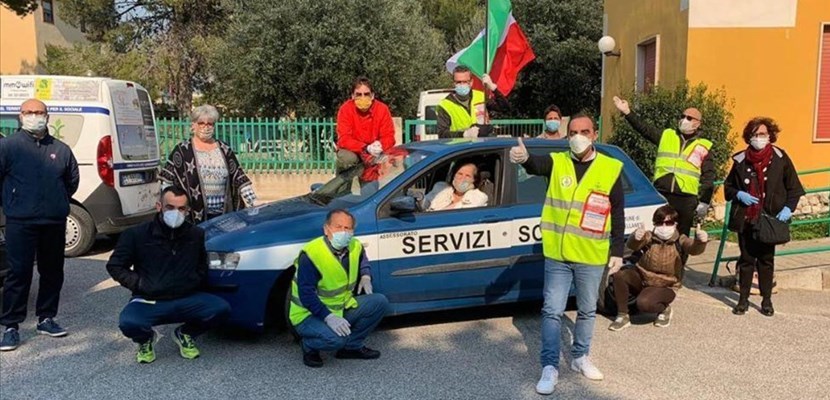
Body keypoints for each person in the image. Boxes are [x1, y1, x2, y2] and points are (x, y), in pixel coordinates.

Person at [509, 113, 624, 395]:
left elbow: (618, 212)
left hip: (590, 253)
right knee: (552, 310)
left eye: (584, 131)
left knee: (586, 310)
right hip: (558, 254)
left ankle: (580, 357)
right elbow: (537, 164)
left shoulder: (610, 168)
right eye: (572, 132)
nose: (578, 136)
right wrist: (524, 158)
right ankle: (549, 367)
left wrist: (618, 250)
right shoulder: (558, 162)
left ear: (595, 134)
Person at [106, 186, 231, 363]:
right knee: (129, 323)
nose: (176, 213)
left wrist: (193, 280)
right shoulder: (136, 235)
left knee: (221, 309)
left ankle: (185, 334)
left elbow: (202, 264)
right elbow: (115, 265)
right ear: (159, 206)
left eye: (181, 209)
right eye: (170, 207)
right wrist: (140, 284)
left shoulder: (195, 234)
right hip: (150, 299)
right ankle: (146, 339)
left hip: (186, 297)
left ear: (187, 210)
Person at [0, 99, 79, 351]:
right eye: (29, 112)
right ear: (20, 116)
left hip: (53, 221)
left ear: (48, 115)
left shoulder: (62, 149)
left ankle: (46, 318)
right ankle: (11, 326)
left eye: (39, 112)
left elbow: (71, 182)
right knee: (18, 273)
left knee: (52, 271)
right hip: (20, 221)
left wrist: (56, 201)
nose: (35, 116)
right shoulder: (8, 147)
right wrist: (12, 202)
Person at [724, 117, 804, 317]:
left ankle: (766, 300)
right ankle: (742, 300)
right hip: (747, 219)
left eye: (762, 134)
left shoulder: (780, 158)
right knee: (746, 260)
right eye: (755, 135)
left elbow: (794, 188)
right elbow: (728, 188)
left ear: (770, 136)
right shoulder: (741, 159)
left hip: (769, 219)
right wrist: (739, 194)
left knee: (766, 261)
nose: (758, 138)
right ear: (748, 137)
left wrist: (788, 209)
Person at [289, 209, 389, 368]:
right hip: (307, 314)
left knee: (379, 302)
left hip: (340, 307)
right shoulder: (312, 254)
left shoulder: (355, 245)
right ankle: (309, 345)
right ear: (326, 229)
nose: (343, 232)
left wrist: (366, 276)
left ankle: (351, 347)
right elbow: (306, 294)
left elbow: (363, 259)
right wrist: (328, 317)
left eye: (348, 228)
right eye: (338, 227)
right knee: (336, 340)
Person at [612, 96, 715, 238]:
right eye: (683, 116)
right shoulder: (667, 135)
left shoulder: (704, 146)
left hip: (686, 199)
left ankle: (680, 260)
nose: (684, 120)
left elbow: (709, 176)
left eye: (689, 118)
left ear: (697, 124)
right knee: (659, 233)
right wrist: (628, 112)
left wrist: (704, 201)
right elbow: (645, 129)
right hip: (663, 194)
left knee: (681, 238)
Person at [607, 205, 708, 331]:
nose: (664, 227)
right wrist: (636, 237)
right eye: (660, 223)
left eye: (669, 223)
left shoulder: (680, 240)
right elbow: (633, 245)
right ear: (654, 224)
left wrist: (700, 242)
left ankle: (664, 309)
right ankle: (622, 315)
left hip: (666, 285)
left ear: (675, 224)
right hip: (643, 279)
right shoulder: (650, 237)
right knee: (620, 274)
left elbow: (693, 248)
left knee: (644, 303)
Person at [160, 104, 257, 224]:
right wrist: (167, 208)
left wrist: (253, 202)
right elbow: (167, 182)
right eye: (201, 123)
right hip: (192, 216)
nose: (205, 127)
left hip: (224, 216)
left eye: (209, 124)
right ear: (193, 125)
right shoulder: (182, 150)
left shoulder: (224, 149)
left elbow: (238, 176)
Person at [335, 77, 396, 185]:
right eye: (358, 94)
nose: (363, 98)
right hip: (353, 151)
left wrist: (380, 145)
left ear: (372, 95)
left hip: (375, 154)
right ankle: (341, 186)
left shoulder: (382, 109)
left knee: (391, 163)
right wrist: (365, 148)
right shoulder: (345, 109)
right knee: (346, 159)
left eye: (366, 94)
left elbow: (389, 136)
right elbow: (344, 139)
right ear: (353, 96)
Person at [436, 65, 510, 139]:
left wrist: (493, 88)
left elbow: (504, 108)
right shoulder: (445, 105)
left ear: (471, 82)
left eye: (465, 81)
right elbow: (442, 134)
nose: (462, 85)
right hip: (461, 147)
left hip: (483, 145)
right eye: (458, 82)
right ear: (454, 83)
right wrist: (464, 134)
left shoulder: (481, 96)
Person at [423, 163, 488, 211]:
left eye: (468, 176)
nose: (463, 178)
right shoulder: (441, 188)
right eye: (460, 174)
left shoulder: (478, 197)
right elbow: (424, 203)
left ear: (474, 180)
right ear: (454, 175)